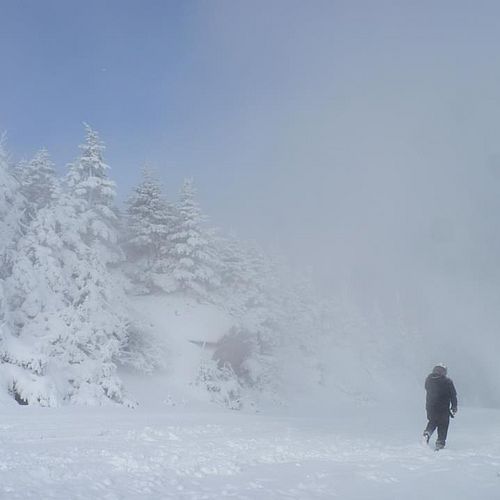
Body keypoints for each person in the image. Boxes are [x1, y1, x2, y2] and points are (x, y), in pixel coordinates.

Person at [423, 363, 458, 450]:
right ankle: (440, 443)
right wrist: (454, 406)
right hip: (443, 409)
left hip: (430, 408)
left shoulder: (429, 380)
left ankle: (427, 434)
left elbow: (427, 388)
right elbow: (453, 395)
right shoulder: (447, 382)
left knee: (432, 422)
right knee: (443, 425)